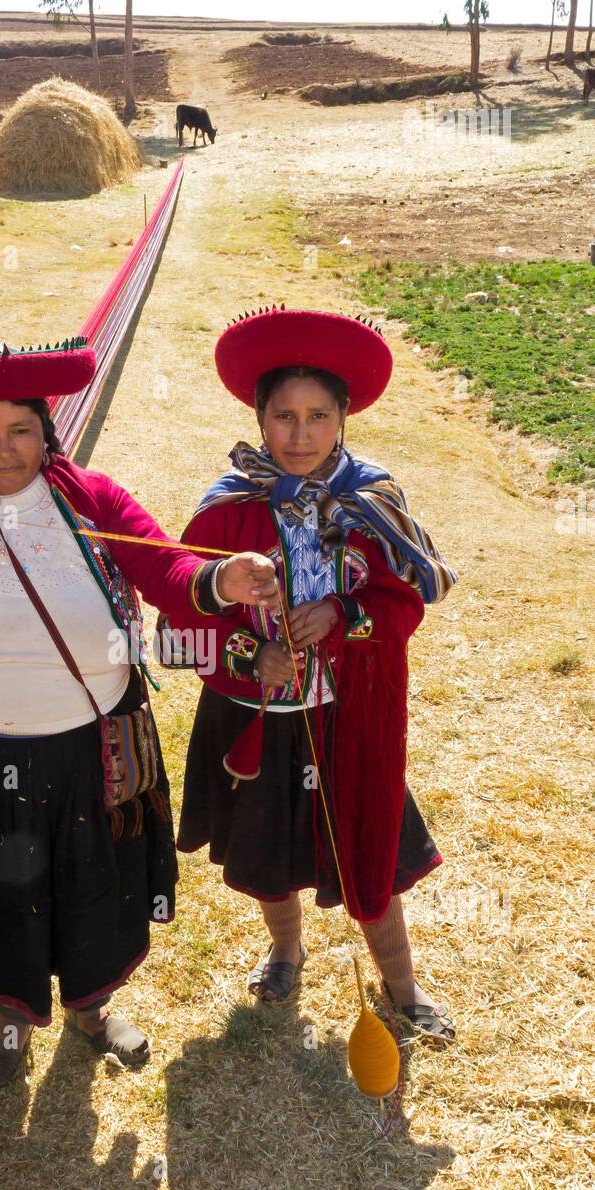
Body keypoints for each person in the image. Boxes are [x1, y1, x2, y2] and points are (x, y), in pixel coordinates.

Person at [0, 334, 277, 1084]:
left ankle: (92, 1009)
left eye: (21, 431)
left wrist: (223, 580)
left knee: (89, 883)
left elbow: (163, 568)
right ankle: (10, 1021)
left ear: (48, 431)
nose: (4, 452)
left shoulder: (90, 498)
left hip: (86, 750)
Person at [164, 306, 458, 1044]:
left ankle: (403, 986)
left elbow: (403, 600)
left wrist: (345, 614)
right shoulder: (225, 512)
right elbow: (182, 620)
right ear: (259, 418)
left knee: (371, 849)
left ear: (343, 418)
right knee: (269, 848)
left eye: (318, 416)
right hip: (256, 717)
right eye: (283, 416)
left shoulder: (371, 501)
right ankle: (286, 950)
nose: (299, 435)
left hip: (348, 710)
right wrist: (248, 654)